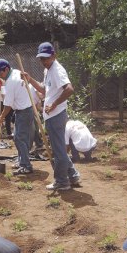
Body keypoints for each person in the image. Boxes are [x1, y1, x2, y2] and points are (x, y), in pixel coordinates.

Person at [23, 42, 80, 191]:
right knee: (59, 148)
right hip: (52, 116)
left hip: (56, 115)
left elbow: (69, 89)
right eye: (41, 58)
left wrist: (54, 104)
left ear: (54, 55)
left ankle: (62, 181)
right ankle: (72, 176)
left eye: (46, 58)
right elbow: (44, 89)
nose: (44, 61)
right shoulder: (48, 70)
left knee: (59, 150)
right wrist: (30, 80)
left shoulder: (57, 70)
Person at [0, 59, 35, 175]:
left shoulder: (11, 81)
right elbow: (12, 94)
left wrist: (1, 118)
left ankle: (26, 165)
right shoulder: (16, 72)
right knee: (21, 138)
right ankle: (22, 161)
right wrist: (3, 84)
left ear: (6, 69)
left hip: (24, 111)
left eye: (0, 73)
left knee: (19, 139)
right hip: (26, 109)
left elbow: (8, 105)